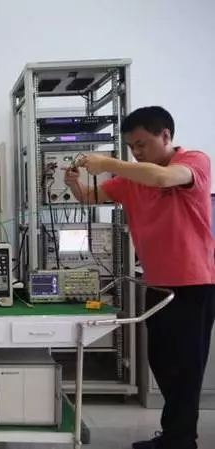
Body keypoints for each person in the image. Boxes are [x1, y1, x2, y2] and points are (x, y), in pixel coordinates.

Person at [63, 106, 215, 449]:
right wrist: (74, 185)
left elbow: (162, 178)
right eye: (131, 147)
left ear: (166, 135)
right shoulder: (131, 179)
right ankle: (173, 435)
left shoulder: (193, 162)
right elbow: (90, 197)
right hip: (156, 283)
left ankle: (181, 441)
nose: (137, 152)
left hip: (192, 285)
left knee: (185, 369)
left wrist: (110, 163)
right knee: (161, 361)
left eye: (142, 144)